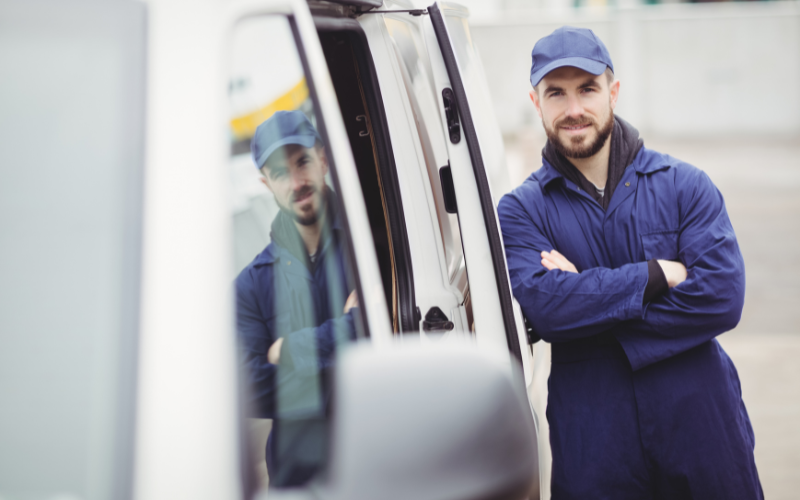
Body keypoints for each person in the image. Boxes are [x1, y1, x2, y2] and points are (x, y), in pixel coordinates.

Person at [497, 27, 762, 499]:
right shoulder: (521, 211)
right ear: (535, 101)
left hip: (701, 424)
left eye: (587, 89)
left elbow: (722, 298)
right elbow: (546, 310)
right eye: (556, 92)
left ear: (613, 92)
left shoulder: (684, 186)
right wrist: (656, 275)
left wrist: (587, 299)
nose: (573, 109)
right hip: (594, 439)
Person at [235, 110, 358, 487]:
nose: (296, 182)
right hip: (296, 481)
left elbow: (384, 334)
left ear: (322, 159)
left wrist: (289, 350)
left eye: (302, 161)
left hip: (374, 461)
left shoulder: (373, 250)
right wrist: (345, 340)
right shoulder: (250, 286)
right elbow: (249, 388)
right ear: (266, 183)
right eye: (280, 173)